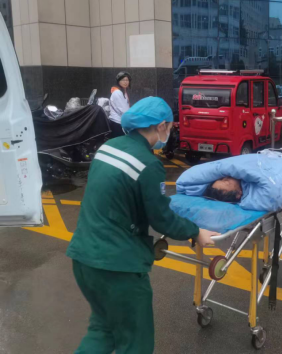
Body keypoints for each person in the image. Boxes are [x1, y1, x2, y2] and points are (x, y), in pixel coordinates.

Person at [67, 96, 219, 354]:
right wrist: (195, 232)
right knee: (136, 343)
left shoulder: (108, 147)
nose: (169, 133)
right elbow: (161, 218)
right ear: (160, 126)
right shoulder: (148, 164)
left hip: (83, 258)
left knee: (104, 331)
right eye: (170, 127)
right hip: (118, 269)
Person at [108, 71, 131, 138]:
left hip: (121, 122)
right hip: (117, 123)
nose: (125, 82)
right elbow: (124, 110)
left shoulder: (123, 91)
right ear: (118, 81)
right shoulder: (117, 92)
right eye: (123, 80)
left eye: (127, 80)